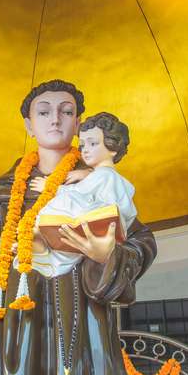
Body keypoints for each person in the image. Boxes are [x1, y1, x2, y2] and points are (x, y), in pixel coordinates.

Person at [0, 79, 156, 375]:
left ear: (78, 123)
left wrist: (107, 255)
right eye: (43, 112)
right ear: (29, 125)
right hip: (11, 321)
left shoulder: (101, 184)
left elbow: (142, 241)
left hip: (82, 319)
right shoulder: (1, 197)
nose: (55, 119)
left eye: (66, 111)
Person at [30, 112, 138, 279]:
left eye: (93, 143)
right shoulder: (94, 175)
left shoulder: (107, 176)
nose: (85, 150)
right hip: (77, 235)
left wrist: (51, 188)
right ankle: (43, 250)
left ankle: (45, 252)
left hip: (96, 228)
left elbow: (104, 206)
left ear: (113, 148)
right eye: (82, 145)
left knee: (69, 200)